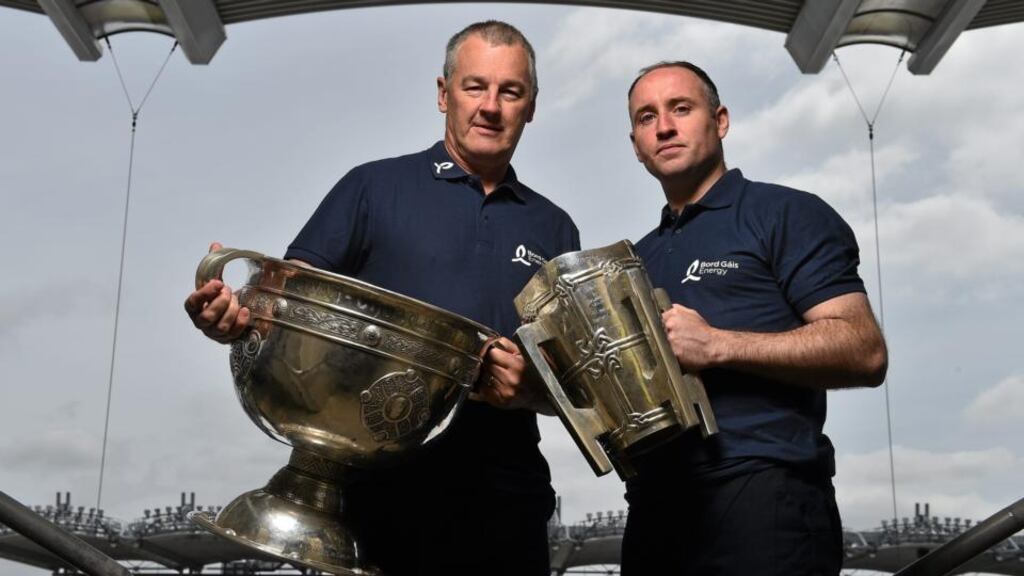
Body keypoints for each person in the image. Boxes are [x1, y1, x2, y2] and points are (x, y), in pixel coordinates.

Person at [184, 21, 579, 576]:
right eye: (474, 87)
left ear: (530, 107)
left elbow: (575, 387)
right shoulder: (372, 187)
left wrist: (531, 389)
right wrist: (236, 315)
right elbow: (286, 302)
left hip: (507, 503)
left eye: (509, 92)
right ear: (443, 93)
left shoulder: (555, 228)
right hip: (376, 502)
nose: (490, 106)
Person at [620, 61, 888, 575]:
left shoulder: (785, 214)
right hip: (654, 507)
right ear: (636, 144)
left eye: (681, 108)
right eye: (647, 117)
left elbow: (863, 349)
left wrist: (719, 345)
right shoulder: (638, 258)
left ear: (719, 120)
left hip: (762, 496)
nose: (665, 126)